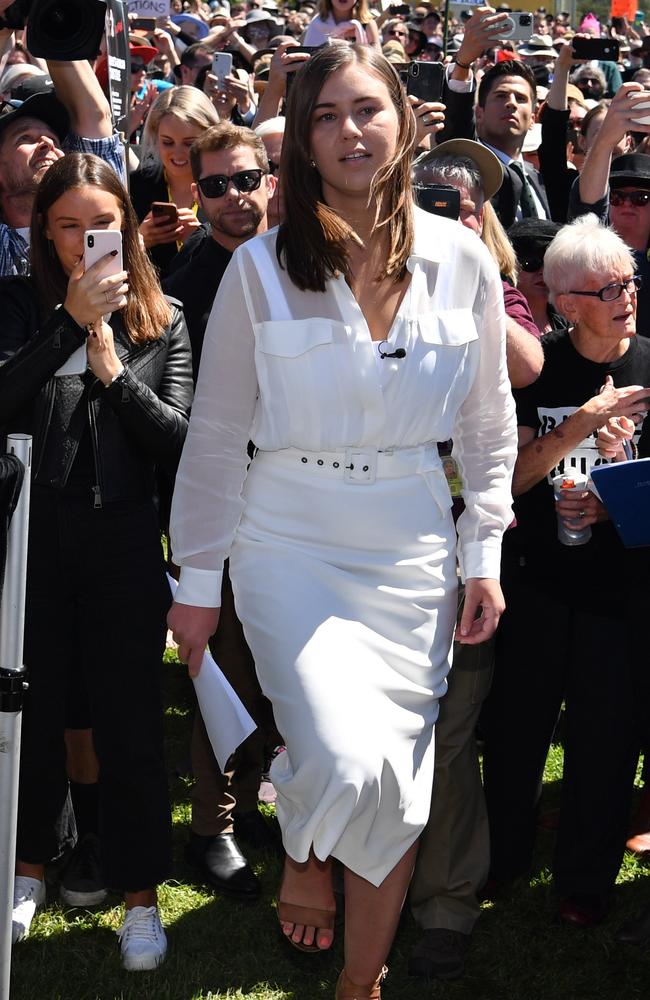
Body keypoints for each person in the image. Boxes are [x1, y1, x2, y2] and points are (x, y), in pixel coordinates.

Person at [168, 43, 516, 998]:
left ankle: (361, 983)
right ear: (305, 144)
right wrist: (198, 588)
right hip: (287, 540)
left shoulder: (461, 262)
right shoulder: (258, 270)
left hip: (410, 545)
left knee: (398, 782)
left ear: (404, 120)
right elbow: (215, 438)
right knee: (342, 753)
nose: (350, 131)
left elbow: (489, 424)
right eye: (325, 115)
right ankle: (308, 852)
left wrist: (480, 554)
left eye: (367, 109)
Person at [0, 152, 193, 968]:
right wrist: (64, 326)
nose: (86, 242)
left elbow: (179, 443)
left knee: (131, 724)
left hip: (122, 538)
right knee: (29, 715)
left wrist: (112, 369)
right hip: (32, 540)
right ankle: (27, 868)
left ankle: (140, 897)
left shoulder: (165, 318)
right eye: (68, 225)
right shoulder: (14, 305)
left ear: (128, 228)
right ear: (44, 229)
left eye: (100, 226)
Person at [481, 214, 650, 928]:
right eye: (608, 286)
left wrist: (616, 493)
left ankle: (585, 878)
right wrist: (579, 427)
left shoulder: (649, 361)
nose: (627, 294)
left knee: (606, 740)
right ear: (567, 302)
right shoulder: (536, 368)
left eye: (630, 280)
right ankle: (504, 859)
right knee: (518, 736)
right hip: (540, 585)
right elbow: (510, 480)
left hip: (623, 592)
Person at [408, 138, 542, 981]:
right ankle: (357, 876)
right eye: (430, 196)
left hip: (467, 543)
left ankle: (447, 904)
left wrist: (473, 260)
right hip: (372, 534)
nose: (448, 207)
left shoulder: (499, 290)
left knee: (453, 731)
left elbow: (523, 370)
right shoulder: (365, 278)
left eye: (466, 199)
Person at [164, 122, 280, 897]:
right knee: (225, 664)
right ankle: (216, 824)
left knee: (289, 663)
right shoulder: (180, 282)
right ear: (193, 192)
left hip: (308, 488)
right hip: (224, 494)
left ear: (271, 177)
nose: (235, 196)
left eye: (248, 178)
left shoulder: (308, 257)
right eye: (217, 185)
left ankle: (277, 791)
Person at [130, 86, 220, 278]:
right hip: (151, 302)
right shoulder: (134, 186)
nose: (178, 154)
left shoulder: (225, 187)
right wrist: (138, 241)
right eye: (167, 142)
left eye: (189, 143)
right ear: (155, 136)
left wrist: (202, 241)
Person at [303, 0, 380, 48]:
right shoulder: (317, 23)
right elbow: (308, 59)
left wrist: (349, 47)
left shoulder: (368, 24)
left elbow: (377, 60)